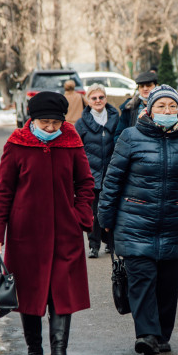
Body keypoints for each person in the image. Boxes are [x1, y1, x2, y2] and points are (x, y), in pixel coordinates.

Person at [99, 85, 178, 355]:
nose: (167, 111)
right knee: (142, 280)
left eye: (172, 107)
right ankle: (147, 335)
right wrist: (105, 218)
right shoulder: (130, 137)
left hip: (174, 223)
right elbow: (112, 181)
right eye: (161, 106)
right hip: (135, 222)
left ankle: (162, 335)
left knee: (168, 285)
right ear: (149, 109)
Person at [0, 91, 95, 355]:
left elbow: (86, 183)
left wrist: (80, 215)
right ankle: (35, 353)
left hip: (65, 232)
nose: (50, 129)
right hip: (27, 234)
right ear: (32, 120)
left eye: (55, 123)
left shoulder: (71, 143)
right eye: (45, 123)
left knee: (62, 293)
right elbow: (3, 191)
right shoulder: (16, 145)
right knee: (31, 295)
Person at [74, 83, 120, 258]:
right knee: (93, 212)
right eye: (94, 98)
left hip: (112, 173)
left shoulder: (116, 119)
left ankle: (110, 242)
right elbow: (77, 149)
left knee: (111, 208)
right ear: (88, 100)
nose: (98, 100)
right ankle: (94, 245)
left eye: (101, 97)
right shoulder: (82, 123)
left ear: (106, 99)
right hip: (91, 174)